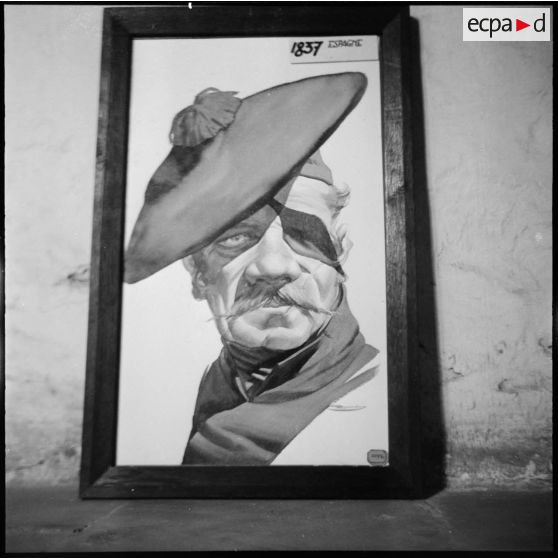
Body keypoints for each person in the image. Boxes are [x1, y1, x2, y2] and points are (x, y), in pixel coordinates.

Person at [125, 72, 387, 466]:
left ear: (340, 251)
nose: (272, 265)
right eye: (234, 238)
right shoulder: (218, 389)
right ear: (196, 272)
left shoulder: (372, 403)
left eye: (304, 233)